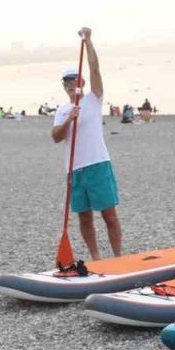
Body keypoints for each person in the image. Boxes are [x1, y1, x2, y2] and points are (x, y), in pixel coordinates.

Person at [51, 28, 121, 260]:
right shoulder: (63, 110)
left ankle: (118, 256)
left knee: (109, 215)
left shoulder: (93, 99)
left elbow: (94, 69)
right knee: (84, 216)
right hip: (75, 169)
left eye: (74, 82)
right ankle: (96, 257)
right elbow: (56, 136)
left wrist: (88, 41)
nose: (71, 86)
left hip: (98, 164)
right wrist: (69, 119)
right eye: (67, 84)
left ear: (81, 82)